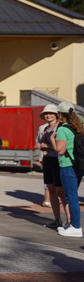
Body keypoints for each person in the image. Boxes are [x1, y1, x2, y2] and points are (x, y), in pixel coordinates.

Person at [53, 101, 83, 238]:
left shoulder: (62, 129)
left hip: (67, 165)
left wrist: (52, 138)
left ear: (60, 114)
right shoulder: (79, 126)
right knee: (72, 196)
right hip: (78, 165)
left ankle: (76, 226)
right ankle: (72, 225)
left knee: (71, 197)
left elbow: (60, 150)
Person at [37, 104, 66, 228]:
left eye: (51, 113)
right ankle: (57, 219)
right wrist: (39, 146)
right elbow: (38, 141)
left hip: (58, 161)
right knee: (51, 190)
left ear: (56, 115)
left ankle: (70, 221)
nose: (48, 115)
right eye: (46, 114)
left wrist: (47, 146)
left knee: (61, 192)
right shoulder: (44, 128)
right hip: (47, 159)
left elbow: (61, 148)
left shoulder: (61, 127)